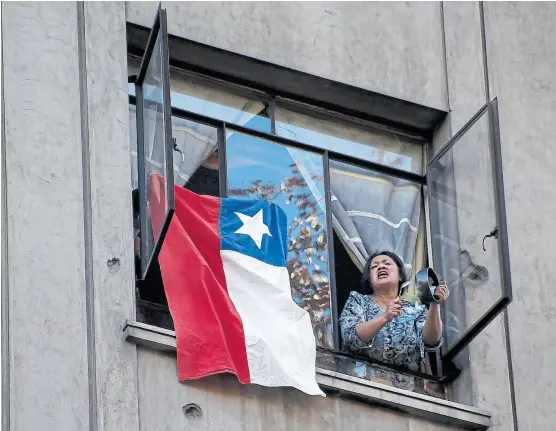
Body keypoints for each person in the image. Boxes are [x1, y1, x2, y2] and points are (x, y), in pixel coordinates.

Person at [339, 250, 449, 388]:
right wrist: (385, 317)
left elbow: (431, 342)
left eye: (387, 264)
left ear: (400, 276)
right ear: (369, 279)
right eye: (375, 266)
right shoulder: (358, 300)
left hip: (405, 392)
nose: (381, 267)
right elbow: (351, 337)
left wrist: (434, 304)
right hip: (360, 387)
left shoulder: (416, 309)